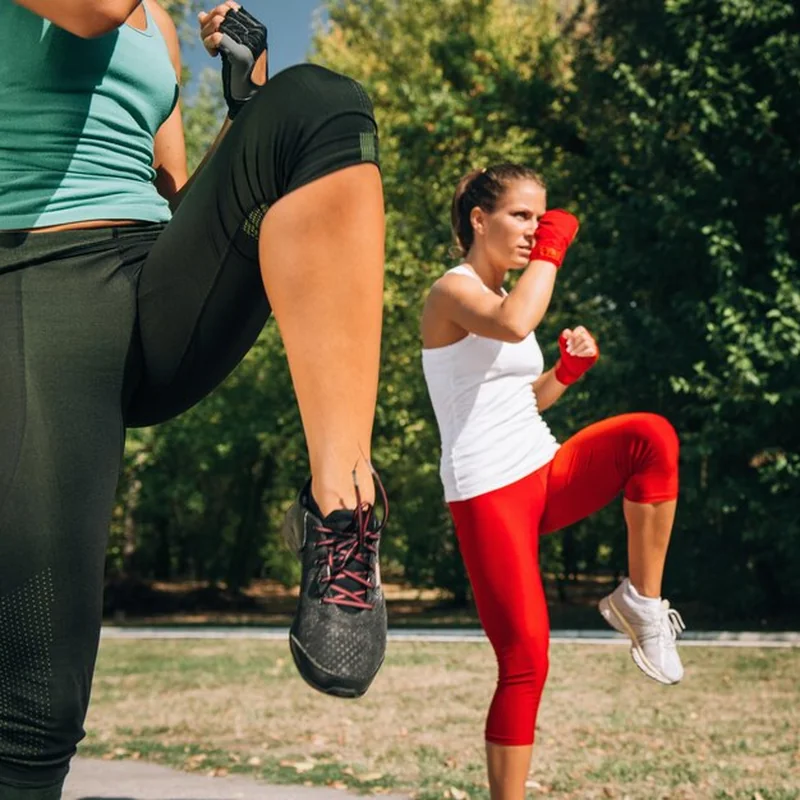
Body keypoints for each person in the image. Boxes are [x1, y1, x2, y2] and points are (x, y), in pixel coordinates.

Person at [0, 1, 388, 797]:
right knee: (37, 702)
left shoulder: (161, 29)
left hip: (150, 288)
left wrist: (247, 103)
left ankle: (342, 512)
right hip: (38, 287)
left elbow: (176, 196)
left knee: (315, 103)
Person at [420, 164, 686, 800]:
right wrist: (555, 246)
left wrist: (565, 372)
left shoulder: (511, 297)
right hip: (486, 490)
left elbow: (518, 402)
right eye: (521, 216)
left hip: (541, 465)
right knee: (526, 661)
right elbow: (513, 323)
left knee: (651, 438)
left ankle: (641, 602)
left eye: (542, 219)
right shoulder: (450, 294)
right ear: (478, 220)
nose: (534, 231)